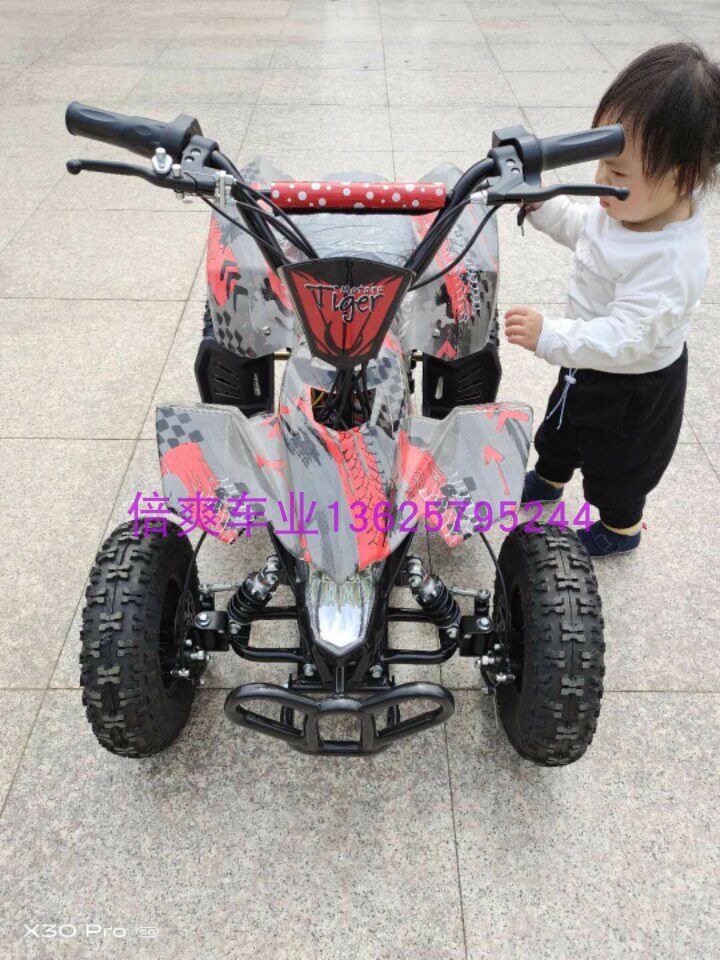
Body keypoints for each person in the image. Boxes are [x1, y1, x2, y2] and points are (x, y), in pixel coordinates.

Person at [505, 42, 717, 556]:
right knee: (561, 426)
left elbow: (626, 339)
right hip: (585, 356)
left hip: (632, 386)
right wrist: (542, 205)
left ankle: (621, 530)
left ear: (682, 177)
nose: (601, 180)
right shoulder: (626, 208)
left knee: (618, 467)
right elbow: (584, 226)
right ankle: (549, 478)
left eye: (618, 173)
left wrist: (551, 335)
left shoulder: (672, 262)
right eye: (602, 162)